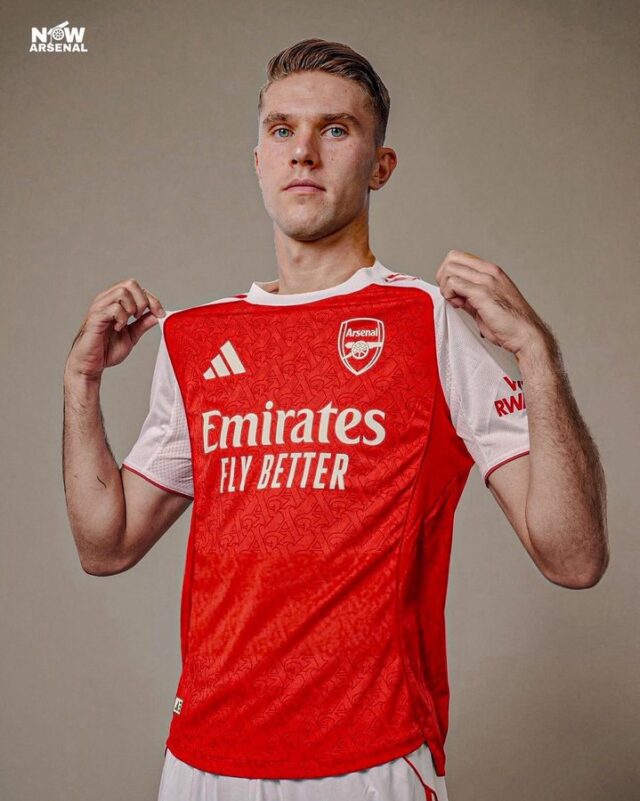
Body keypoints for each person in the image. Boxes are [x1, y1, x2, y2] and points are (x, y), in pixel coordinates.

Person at [62, 37, 609, 801]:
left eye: (336, 129)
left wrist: (538, 355)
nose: (304, 152)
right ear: (257, 159)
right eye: (282, 130)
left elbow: (573, 557)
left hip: (370, 761)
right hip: (202, 761)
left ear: (380, 166)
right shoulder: (195, 339)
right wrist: (82, 381)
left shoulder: (428, 320)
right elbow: (107, 543)